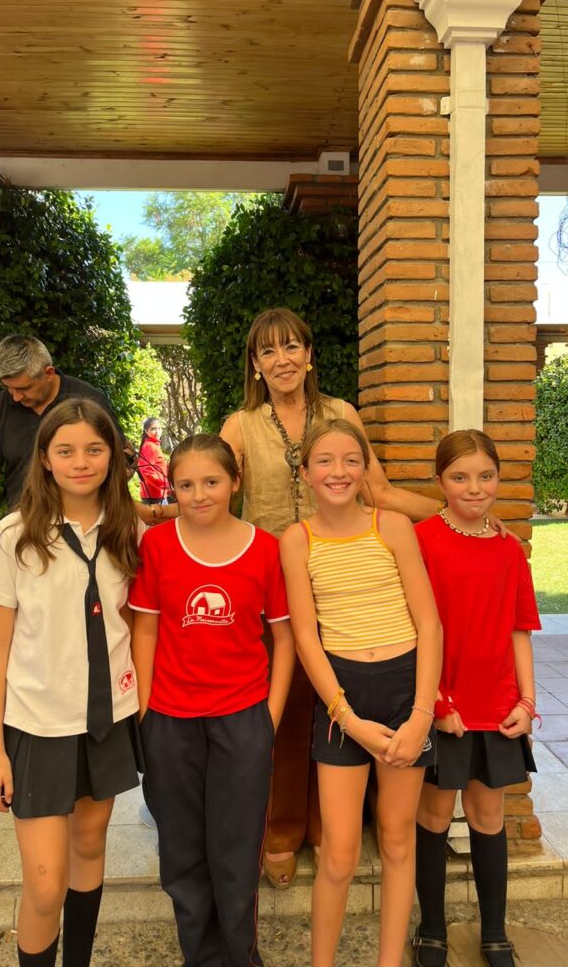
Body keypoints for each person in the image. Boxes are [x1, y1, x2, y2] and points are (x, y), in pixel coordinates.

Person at [220, 308, 442, 889]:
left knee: (337, 702)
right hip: (274, 584)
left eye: (292, 346)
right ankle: (282, 830)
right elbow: (215, 494)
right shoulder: (240, 426)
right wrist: (154, 518)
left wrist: (457, 516)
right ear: (255, 364)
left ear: (310, 354)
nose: (282, 360)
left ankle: (329, 830)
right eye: (268, 351)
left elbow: (380, 490)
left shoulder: (341, 415)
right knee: (290, 711)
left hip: (343, 581)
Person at [0, 398, 143, 967]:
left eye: (94, 449)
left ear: (113, 455)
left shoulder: (131, 532)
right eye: (65, 451)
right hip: (38, 726)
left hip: (107, 719)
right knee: (44, 886)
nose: (81, 462)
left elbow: (136, 626)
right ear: (44, 458)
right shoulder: (14, 536)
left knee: (89, 849)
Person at [280, 419, 442, 967]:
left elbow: (429, 624)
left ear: (366, 469)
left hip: (404, 691)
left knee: (397, 839)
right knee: (339, 852)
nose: (339, 471)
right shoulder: (296, 540)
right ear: (305, 472)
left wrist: (421, 715)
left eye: (352, 460)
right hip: (341, 698)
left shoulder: (391, 527)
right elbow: (306, 637)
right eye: (325, 461)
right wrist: (346, 718)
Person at [129, 433, 295, 967]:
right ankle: (199, 957)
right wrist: (146, 711)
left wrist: (268, 718)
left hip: (242, 719)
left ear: (235, 482)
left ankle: (240, 957)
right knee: (181, 854)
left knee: (236, 851)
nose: (198, 495)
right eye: (185, 485)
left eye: (211, 482)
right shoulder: (157, 546)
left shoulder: (264, 549)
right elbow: (145, 630)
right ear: (171, 488)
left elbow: (285, 638)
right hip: (170, 720)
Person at [411, 430, 541, 967]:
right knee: (435, 815)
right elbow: (413, 628)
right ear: (439, 481)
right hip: (443, 705)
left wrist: (527, 702)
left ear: (498, 478)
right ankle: (431, 929)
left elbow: (519, 630)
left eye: (486, 476)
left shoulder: (510, 550)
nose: (474, 487)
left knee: (489, 816)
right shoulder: (420, 540)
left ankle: (494, 932)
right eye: (460, 476)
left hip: (497, 707)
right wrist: (436, 703)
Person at [0, 334, 170, 558]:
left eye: (24, 388)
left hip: (92, 534)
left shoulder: (90, 401)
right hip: (25, 534)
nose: (16, 397)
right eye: (9, 388)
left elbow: (118, 462)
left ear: (48, 373)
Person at [137, 417, 170, 505]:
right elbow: (147, 471)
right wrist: (165, 484)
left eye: (159, 428)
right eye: (153, 429)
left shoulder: (154, 445)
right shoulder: (149, 446)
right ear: (146, 431)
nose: (157, 432)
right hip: (154, 494)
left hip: (157, 493)